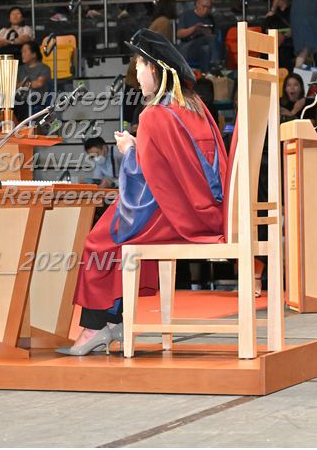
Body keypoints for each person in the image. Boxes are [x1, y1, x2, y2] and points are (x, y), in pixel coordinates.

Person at [56, 29, 227, 356]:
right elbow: (178, 164)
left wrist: (131, 151)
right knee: (115, 232)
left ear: (155, 69)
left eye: (138, 65)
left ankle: (95, 327)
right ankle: (111, 321)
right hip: (208, 209)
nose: (135, 73)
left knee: (99, 240)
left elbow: (144, 181)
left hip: (179, 215)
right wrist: (142, 146)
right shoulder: (195, 106)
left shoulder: (154, 113)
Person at [175, 0, 221, 74]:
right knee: (208, 37)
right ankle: (215, 61)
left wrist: (209, 32)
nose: (205, 10)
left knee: (206, 48)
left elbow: (215, 39)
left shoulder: (211, 19)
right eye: (204, 6)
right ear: (197, 3)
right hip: (187, 48)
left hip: (201, 50)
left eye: (209, 8)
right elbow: (179, 34)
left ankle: (205, 75)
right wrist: (194, 28)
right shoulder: (186, 15)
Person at [16, 40, 51, 116]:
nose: (22, 54)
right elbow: (15, 85)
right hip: (21, 98)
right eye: (22, 52)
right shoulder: (20, 69)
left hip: (37, 98)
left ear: (34, 54)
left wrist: (24, 84)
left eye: (25, 52)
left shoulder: (44, 68)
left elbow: (39, 83)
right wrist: (30, 84)